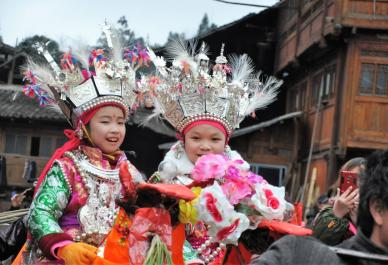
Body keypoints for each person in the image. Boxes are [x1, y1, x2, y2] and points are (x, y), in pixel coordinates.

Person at [12, 25, 194, 265]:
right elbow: (40, 213)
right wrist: (65, 248)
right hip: (73, 257)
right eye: (105, 121)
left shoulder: (128, 171)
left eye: (120, 122)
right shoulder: (68, 167)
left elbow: (150, 214)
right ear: (84, 127)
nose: (115, 129)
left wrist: (192, 257)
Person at [142, 40, 311, 264]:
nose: (205, 146)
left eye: (214, 139)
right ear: (182, 140)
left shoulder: (241, 182)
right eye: (195, 138)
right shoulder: (167, 181)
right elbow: (156, 233)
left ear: (226, 141)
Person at [251, 147, 388, 265]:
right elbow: (314, 238)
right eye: (354, 180)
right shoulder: (298, 253)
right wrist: (337, 213)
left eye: (362, 181)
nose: (357, 187)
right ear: (378, 209)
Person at [312, 157, 365, 245]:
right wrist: (337, 214)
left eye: (363, 178)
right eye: (352, 178)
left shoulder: (374, 212)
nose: (358, 183)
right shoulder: (329, 209)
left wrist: (359, 223)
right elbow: (317, 241)